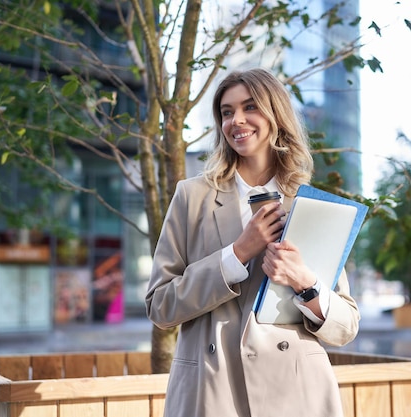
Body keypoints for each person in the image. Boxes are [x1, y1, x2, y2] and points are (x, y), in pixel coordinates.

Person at [145, 67, 360, 417]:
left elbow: (346, 326)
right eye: (227, 112)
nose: (236, 120)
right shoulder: (193, 196)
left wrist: (304, 282)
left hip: (296, 393)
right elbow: (160, 307)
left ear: (276, 115)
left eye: (250, 107)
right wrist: (236, 254)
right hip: (213, 391)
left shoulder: (312, 206)